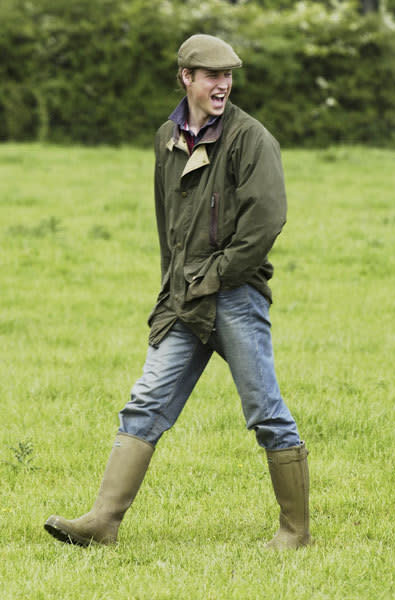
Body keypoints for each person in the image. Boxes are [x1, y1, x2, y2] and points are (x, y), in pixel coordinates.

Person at [44, 34, 311, 551]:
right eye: (211, 75)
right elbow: (169, 225)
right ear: (186, 77)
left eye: (228, 75)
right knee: (145, 403)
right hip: (185, 299)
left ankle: (295, 532)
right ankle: (103, 521)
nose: (223, 84)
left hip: (234, 295)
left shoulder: (252, 139)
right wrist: (172, 291)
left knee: (265, 411)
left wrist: (214, 275)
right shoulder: (167, 136)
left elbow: (266, 222)